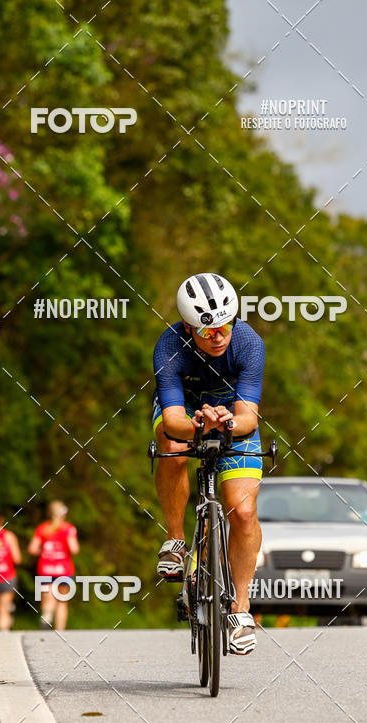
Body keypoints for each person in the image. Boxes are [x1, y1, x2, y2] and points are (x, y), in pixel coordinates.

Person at [152, 272, 265, 655]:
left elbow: (249, 417)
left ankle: (241, 609)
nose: (217, 336)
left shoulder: (249, 343)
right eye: (206, 331)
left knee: (244, 512)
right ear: (187, 326)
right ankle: (175, 539)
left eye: (223, 327)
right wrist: (198, 425)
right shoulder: (169, 345)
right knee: (171, 442)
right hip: (184, 411)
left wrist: (227, 423)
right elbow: (171, 419)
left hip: (232, 414)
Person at [28, 501, 79, 630]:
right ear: (63, 514)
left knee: (48, 599)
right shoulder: (68, 529)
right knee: (62, 603)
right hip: (64, 570)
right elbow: (74, 549)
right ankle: (60, 632)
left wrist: (43, 551)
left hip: (46, 569)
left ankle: (47, 615)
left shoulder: (42, 529)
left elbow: (32, 549)